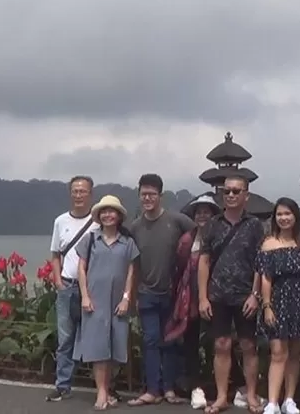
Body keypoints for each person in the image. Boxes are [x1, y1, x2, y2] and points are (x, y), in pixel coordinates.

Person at [198, 175, 266, 414]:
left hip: (245, 295)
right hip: (218, 295)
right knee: (221, 345)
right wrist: (202, 297)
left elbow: (261, 262)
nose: (231, 195)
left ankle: (251, 396)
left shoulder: (255, 225)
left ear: (246, 195)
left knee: (248, 345)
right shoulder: (213, 225)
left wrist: (255, 294)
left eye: (237, 191)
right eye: (227, 191)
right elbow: (204, 261)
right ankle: (221, 397)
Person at [128, 174, 197, 407]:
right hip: (146, 293)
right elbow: (132, 263)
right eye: (143, 194)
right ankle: (152, 390)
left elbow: (199, 236)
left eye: (152, 194)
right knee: (150, 341)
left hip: (173, 294)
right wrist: (131, 294)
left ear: (161, 195)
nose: (147, 198)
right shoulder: (135, 227)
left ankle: (169, 389)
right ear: (139, 196)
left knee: (170, 341)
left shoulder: (177, 221)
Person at [73, 195, 139, 411]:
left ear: (119, 216)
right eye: (104, 211)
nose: (108, 215)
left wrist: (127, 298)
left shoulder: (127, 242)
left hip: (118, 302)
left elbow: (131, 271)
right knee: (98, 348)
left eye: (112, 211)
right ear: (99, 216)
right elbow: (81, 269)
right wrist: (85, 296)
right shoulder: (91, 239)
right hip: (95, 301)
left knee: (114, 347)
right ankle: (101, 392)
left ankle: (108, 390)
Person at [46, 176, 99, 402]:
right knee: (65, 339)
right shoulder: (60, 222)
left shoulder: (98, 222)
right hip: (67, 286)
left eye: (83, 191)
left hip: (92, 288)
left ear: (90, 194)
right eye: (75, 191)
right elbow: (56, 255)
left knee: (96, 338)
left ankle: (104, 387)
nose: (78, 195)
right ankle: (63, 385)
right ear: (70, 193)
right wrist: (58, 281)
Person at [258, 197, 300, 414]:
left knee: (294, 353)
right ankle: (272, 401)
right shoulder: (268, 243)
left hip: (299, 300)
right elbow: (266, 278)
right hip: (277, 300)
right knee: (277, 352)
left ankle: (289, 399)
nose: (283, 218)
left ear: (295, 216)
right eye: (279, 214)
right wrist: (267, 305)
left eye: (287, 214)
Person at [175, 194, 222, 410]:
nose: (202, 215)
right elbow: (179, 267)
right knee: (191, 343)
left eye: (207, 211)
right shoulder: (187, 240)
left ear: (214, 214)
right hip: (191, 300)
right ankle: (196, 387)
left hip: (218, 297)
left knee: (219, 344)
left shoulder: (221, 236)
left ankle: (223, 388)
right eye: (199, 212)